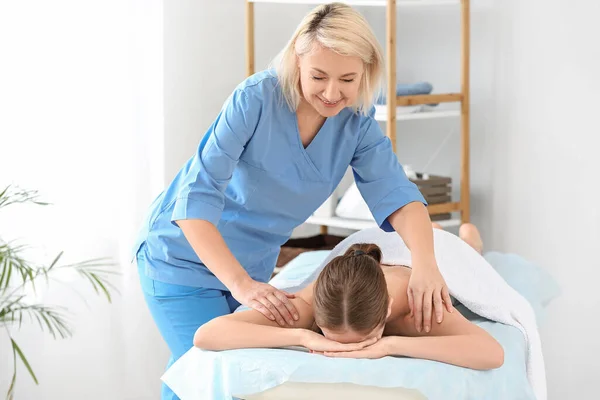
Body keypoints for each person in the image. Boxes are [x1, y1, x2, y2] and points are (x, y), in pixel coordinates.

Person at [134, 3, 452, 398]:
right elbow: (194, 200)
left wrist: (426, 263)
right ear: (296, 61)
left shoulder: (357, 121)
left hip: (252, 264)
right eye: (318, 76)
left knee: (200, 376)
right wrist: (242, 285)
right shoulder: (256, 99)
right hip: (181, 257)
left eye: (348, 79)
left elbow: (399, 197)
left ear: (366, 73)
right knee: (213, 373)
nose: (332, 93)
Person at [193, 223, 504, 371]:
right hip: (367, 249)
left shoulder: (415, 306)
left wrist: (390, 345)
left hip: (431, 258)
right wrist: (304, 337)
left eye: (362, 339)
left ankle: (468, 241)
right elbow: (207, 335)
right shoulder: (311, 304)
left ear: (388, 311)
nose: (347, 351)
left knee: (464, 257)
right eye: (333, 338)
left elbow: (492, 353)